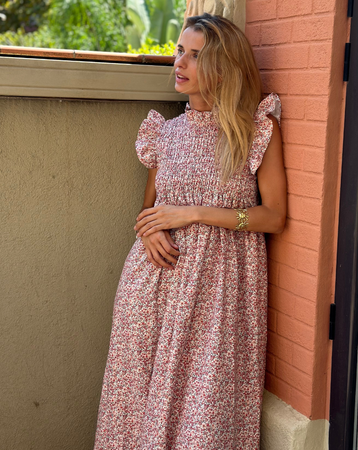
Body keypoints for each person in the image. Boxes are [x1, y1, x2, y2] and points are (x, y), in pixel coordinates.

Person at [93, 13, 286, 450]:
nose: (180, 62)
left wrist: (195, 213)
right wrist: (150, 231)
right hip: (153, 288)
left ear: (224, 66)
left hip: (219, 295)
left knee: (204, 414)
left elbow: (273, 216)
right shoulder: (165, 133)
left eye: (196, 55)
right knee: (137, 407)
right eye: (180, 50)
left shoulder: (255, 131)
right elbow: (149, 210)